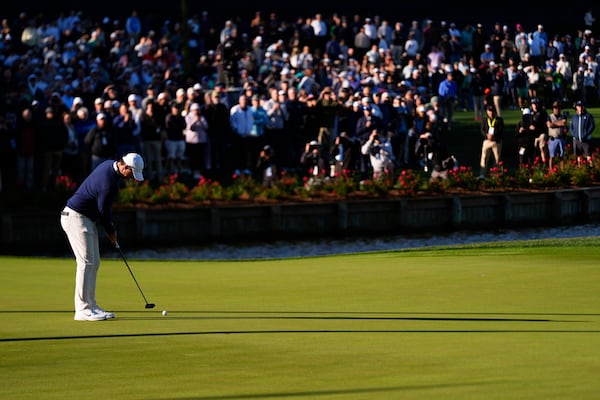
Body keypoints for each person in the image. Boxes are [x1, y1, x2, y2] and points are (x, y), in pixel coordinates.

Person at [60, 153, 145, 321]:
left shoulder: (108, 164)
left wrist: (110, 230)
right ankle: (82, 309)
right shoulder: (109, 184)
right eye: (132, 174)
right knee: (86, 262)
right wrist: (112, 233)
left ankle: (91, 305)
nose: (132, 179)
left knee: (94, 262)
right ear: (125, 167)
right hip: (75, 217)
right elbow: (104, 213)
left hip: (85, 218)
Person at [479, 104, 504, 177]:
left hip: (496, 141)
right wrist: (487, 135)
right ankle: (482, 174)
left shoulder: (499, 120)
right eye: (489, 111)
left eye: (492, 111)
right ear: (487, 111)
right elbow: (482, 130)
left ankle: (496, 175)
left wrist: (494, 135)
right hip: (487, 141)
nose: (491, 112)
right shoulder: (484, 120)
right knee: (484, 158)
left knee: (497, 159)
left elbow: (501, 130)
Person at [570, 100, 595, 165]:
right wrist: (574, 135)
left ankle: (591, 170)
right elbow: (571, 127)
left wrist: (586, 134)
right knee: (579, 157)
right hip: (577, 140)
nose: (580, 108)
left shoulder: (588, 116)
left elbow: (592, 126)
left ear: (583, 107)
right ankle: (580, 170)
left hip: (586, 140)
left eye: (581, 106)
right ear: (576, 107)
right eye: (578, 106)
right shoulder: (574, 117)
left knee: (588, 156)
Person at [546, 101, 568, 169]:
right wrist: (559, 123)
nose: (557, 109)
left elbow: (564, 124)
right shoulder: (549, 116)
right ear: (553, 109)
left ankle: (562, 170)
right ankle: (551, 171)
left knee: (562, 156)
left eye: (558, 107)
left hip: (561, 138)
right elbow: (549, 125)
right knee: (552, 156)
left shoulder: (563, 116)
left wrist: (554, 124)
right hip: (553, 139)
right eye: (555, 107)